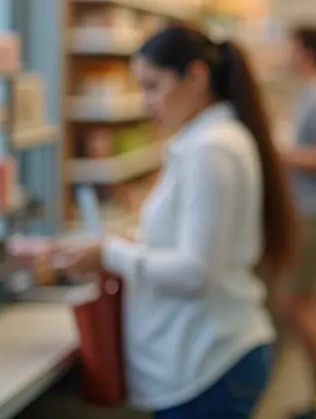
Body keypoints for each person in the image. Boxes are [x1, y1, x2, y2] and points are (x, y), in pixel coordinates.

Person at [54, 26, 297, 419]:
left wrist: (111, 252)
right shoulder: (208, 140)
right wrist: (134, 240)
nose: (146, 101)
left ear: (196, 77)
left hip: (207, 362)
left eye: (153, 85)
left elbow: (195, 271)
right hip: (204, 357)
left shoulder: (211, 147)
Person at [277, 25, 316, 419]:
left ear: (304, 51)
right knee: (303, 302)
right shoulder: (315, 91)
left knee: (295, 301)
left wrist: (280, 154)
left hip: (315, 212)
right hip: (309, 211)